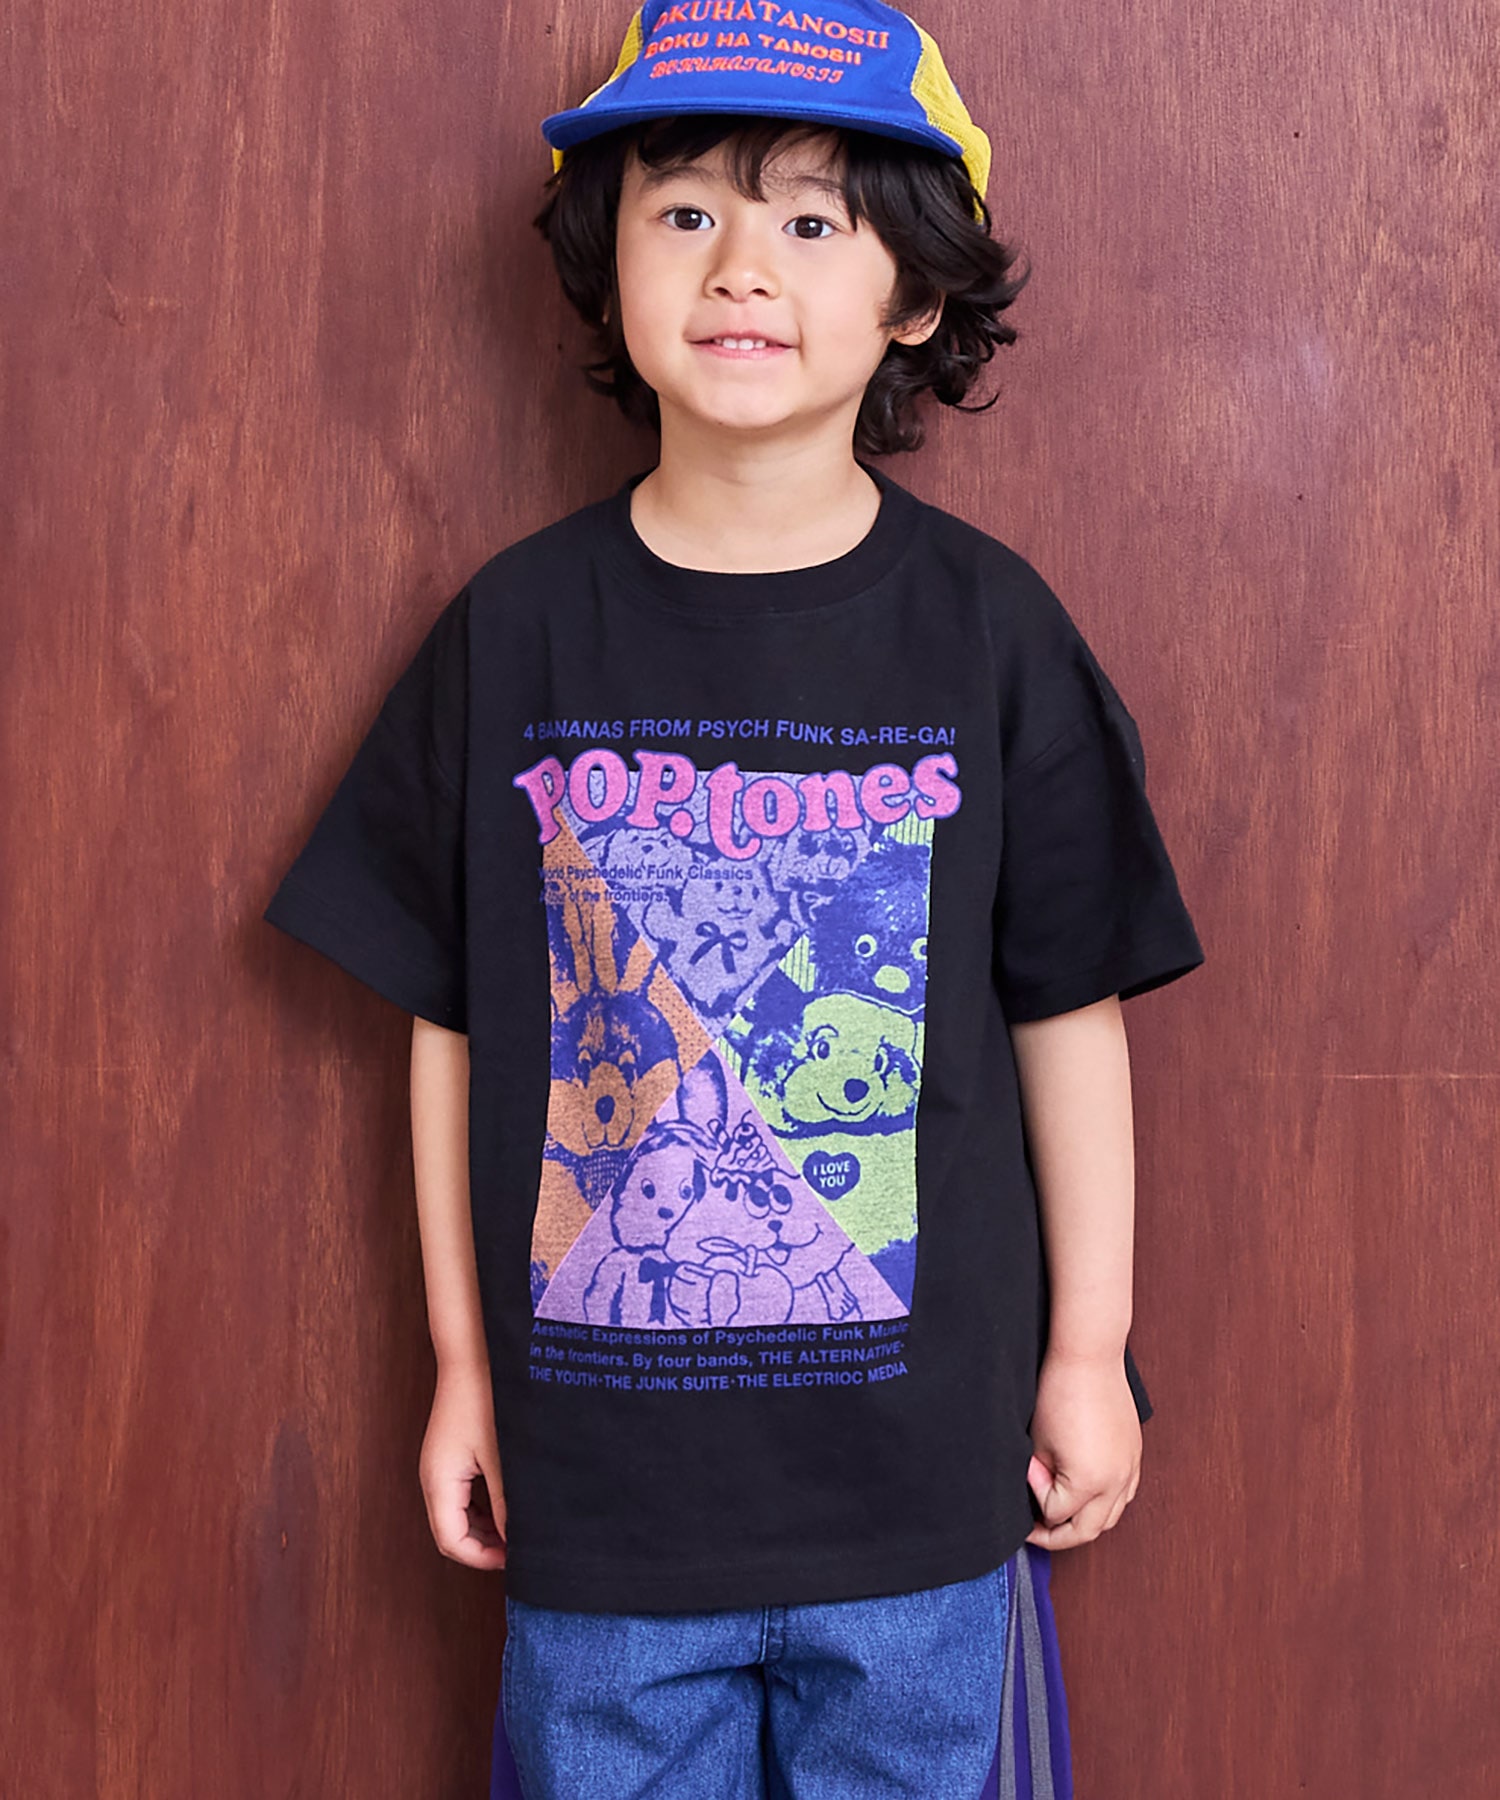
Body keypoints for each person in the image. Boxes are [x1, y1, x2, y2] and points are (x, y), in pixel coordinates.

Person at [262, 2, 1206, 1793]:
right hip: (604, 1507)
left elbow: (1067, 1013)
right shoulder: (515, 630)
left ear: (912, 295)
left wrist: (1090, 1352)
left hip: (924, 1495)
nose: (740, 269)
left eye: (813, 220)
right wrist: (461, 1370)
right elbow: (452, 1025)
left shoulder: (992, 631)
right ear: (606, 260)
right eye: (685, 210)